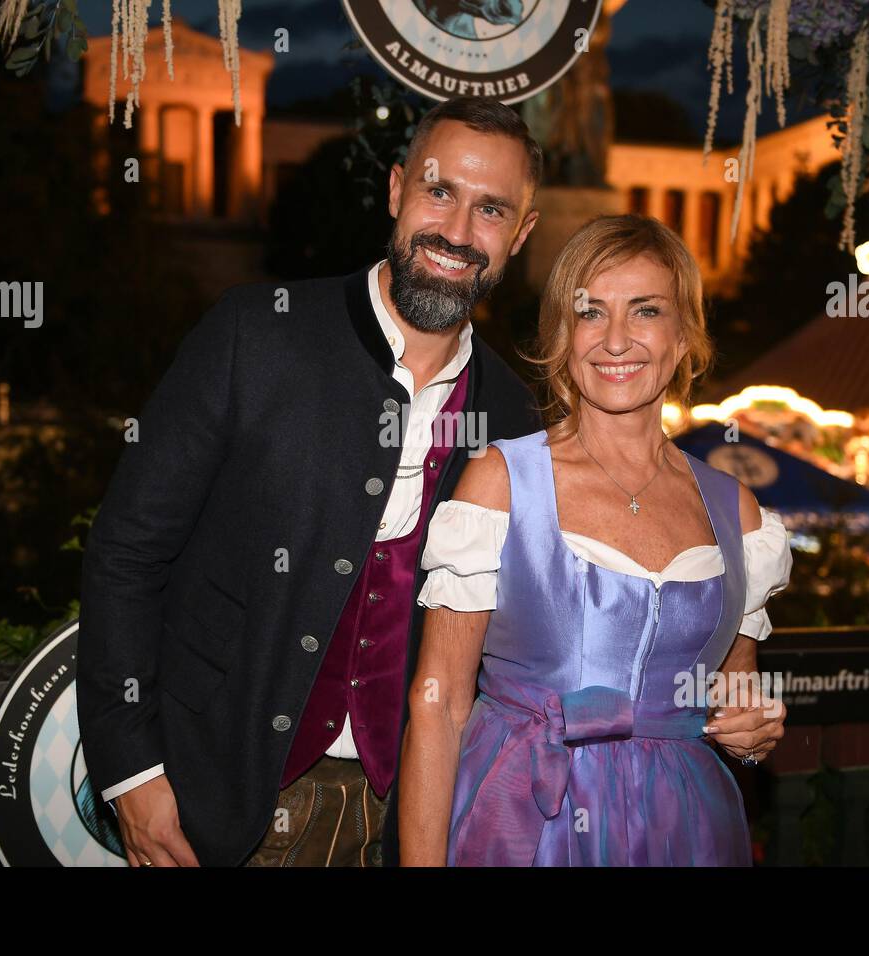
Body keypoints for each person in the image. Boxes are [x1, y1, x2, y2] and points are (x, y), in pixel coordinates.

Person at [76, 97, 544, 867]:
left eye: (491, 209)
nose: (458, 233)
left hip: (418, 817)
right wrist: (131, 770)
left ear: (520, 235)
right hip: (218, 805)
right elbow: (127, 553)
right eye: (439, 192)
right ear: (396, 191)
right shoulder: (255, 333)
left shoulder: (515, 415)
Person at [399, 214, 792, 866]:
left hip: (685, 831)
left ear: (683, 335)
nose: (615, 340)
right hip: (527, 822)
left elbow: (736, 698)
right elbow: (437, 705)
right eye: (590, 313)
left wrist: (753, 731)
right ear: (562, 332)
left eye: (645, 311)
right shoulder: (500, 482)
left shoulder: (738, 513)